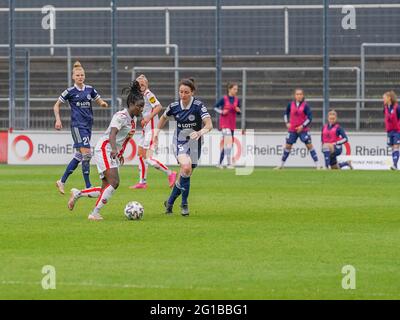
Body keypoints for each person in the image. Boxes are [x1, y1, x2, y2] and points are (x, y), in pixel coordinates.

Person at [67, 81, 144, 220]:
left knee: (105, 188)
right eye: (139, 106)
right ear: (131, 104)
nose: (141, 109)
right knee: (114, 182)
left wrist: (119, 153)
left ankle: (78, 193)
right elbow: (112, 134)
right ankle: (94, 213)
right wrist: (114, 149)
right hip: (105, 148)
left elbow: (124, 139)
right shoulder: (121, 116)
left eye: (142, 106)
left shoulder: (133, 120)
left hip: (112, 152)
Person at [153, 78, 213, 216]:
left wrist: (199, 132)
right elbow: (163, 118)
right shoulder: (174, 106)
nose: (183, 95)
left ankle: (169, 202)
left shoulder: (198, 106)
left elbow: (209, 125)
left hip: (195, 143)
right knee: (186, 167)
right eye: (181, 92)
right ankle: (184, 204)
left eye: (186, 92)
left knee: (185, 174)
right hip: (179, 141)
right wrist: (156, 133)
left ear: (192, 92)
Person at [53, 61, 108, 194]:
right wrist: (58, 120)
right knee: (87, 154)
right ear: (73, 77)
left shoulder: (90, 89)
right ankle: (88, 186)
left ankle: (62, 181)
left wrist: (102, 103)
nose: (80, 77)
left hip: (88, 126)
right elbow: (56, 105)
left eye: (82, 75)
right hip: (78, 126)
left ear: (85, 76)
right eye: (77, 75)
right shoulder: (69, 91)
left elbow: (98, 99)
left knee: (79, 155)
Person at [130, 74, 177, 189]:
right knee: (141, 155)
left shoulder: (148, 94)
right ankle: (142, 182)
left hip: (152, 130)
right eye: (139, 84)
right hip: (146, 130)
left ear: (147, 85)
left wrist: (148, 118)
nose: (141, 86)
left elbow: (158, 107)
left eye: (143, 84)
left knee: (148, 158)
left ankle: (170, 173)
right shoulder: (140, 96)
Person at [275, 88, 320, 169]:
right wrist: (287, 122)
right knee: (288, 146)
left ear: (303, 95)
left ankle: (317, 165)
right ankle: (281, 165)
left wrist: (302, 126)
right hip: (292, 129)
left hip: (303, 130)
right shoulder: (290, 104)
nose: (299, 96)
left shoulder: (306, 106)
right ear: (295, 96)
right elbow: (285, 113)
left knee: (309, 145)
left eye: (300, 94)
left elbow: (310, 118)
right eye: (297, 94)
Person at [214, 82, 241, 169]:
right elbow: (215, 107)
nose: (236, 91)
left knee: (228, 144)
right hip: (225, 124)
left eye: (237, 89)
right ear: (229, 89)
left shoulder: (237, 100)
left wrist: (238, 110)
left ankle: (219, 163)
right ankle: (229, 164)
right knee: (229, 144)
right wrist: (221, 112)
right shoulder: (224, 99)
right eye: (234, 89)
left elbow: (238, 111)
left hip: (232, 124)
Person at [383, 90, 400, 170]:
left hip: (397, 131)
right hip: (390, 131)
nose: (383, 100)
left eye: (384, 98)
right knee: (393, 147)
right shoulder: (385, 108)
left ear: (389, 98)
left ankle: (395, 165)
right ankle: (394, 165)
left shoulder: (397, 107)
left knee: (396, 147)